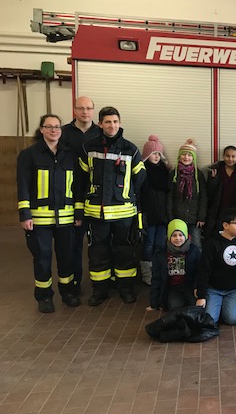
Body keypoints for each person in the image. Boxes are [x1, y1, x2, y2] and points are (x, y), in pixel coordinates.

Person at [76, 106, 146, 306]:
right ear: (100, 124)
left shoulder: (131, 149)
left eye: (115, 121)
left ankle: (126, 289)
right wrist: (81, 207)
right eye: (107, 122)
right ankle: (100, 290)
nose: (112, 125)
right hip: (96, 213)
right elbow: (80, 181)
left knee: (125, 252)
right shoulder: (88, 148)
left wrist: (129, 200)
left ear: (120, 123)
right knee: (98, 252)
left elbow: (140, 179)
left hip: (124, 213)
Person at [17, 114, 79, 312]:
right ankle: (44, 296)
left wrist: (78, 213)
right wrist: (25, 214)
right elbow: (23, 185)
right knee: (42, 257)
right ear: (41, 129)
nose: (54, 130)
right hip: (39, 218)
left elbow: (77, 187)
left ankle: (68, 291)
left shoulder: (70, 155)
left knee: (66, 256)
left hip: (67, 217)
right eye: (49, 127)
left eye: (57, 127)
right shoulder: (29, 155)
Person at [60, 96, 100, 297]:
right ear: (74, 110)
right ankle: (73, 285)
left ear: (93, 111)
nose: (85, 112)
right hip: (69, 196)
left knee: (99, 243)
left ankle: (100, 285)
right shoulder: (64, 133)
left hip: (97, 198)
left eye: (89, 108)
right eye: (81, 108)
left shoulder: (101, 133)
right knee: (74, 244)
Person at [195, 208, 236, 325]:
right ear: (225, 225)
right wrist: (201, 295)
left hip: (233, 290)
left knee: (232, 319)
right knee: (210, 320)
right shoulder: (212, 243)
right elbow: (204, 270)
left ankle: (223, 307)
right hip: (214, 289)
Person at [147, 219, 200, 311]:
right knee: (174, 307)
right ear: (168, 237)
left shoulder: (194, 251)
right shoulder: (161, 254)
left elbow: (199, 272)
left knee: (195, 306)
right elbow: (156, 278)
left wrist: (196, 287)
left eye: (181, 235)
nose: (177, 238)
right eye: (174, 235)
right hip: (173, 287)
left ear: (186, 236)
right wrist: (154, 303)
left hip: (189, 286)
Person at [139, 135, 170, 286]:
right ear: (147, 156)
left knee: (160, 245)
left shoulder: (165, 171)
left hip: (163, 216)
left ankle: (159, 271)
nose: (156, 157)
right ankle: (147, 273)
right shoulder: (142, 172)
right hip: (149, 216)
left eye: (158, 154)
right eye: (153, 154)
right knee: (148, 244)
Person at [167, 139, 207, 249]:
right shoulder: (174, 174)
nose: (186, 157)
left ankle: (196, 265)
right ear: (179, 156)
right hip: (177, 216)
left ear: (193, 157)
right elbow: (169, 197)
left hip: (194, 218)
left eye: (190, 155)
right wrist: (170, 217)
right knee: (178, 244)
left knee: (196, 243)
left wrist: (201, 217)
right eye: (184, 154)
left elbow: (203, 197)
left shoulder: (198, 175)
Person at [204, 145, 236, 239]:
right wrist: (213, 179)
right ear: (223, 157)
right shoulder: (215, 170)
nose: (230, 159)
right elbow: (209, 192)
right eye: (227, 156)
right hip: (218, 210)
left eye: (233, 156)